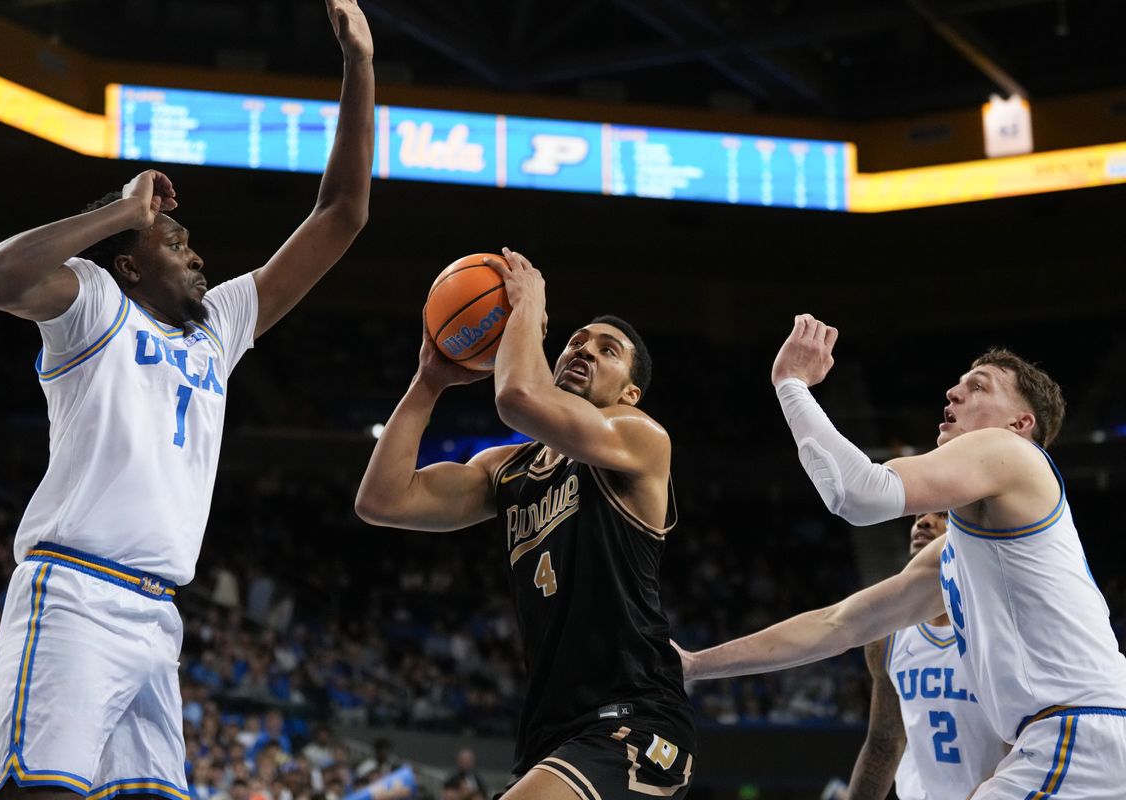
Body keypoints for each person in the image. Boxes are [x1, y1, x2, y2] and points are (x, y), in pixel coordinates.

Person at [0, 3, 374, 799]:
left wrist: (359, 64)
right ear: (128, 265)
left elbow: (342, 215)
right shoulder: (95, 302)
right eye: (175, 243)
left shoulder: (217, 328)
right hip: (76, 591)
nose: (197, 258)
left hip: (157, 618)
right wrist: (125, 212)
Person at [676, 315, 1126, 799]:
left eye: (978, 386)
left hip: (1080, 734)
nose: (953, 393)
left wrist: (791, 384)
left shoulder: (1011, 450)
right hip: (1071, 736)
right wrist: (696, 664)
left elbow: (858, 493)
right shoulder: (956, 553)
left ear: (1020, 423)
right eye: (958, 384)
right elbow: (838, 625)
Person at [356, 249, 695, 800]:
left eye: (607, 350)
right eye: (577, 340)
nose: (584, 348)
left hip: (635, 717)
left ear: (629, 394)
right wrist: (428, 381)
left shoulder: (640, 437)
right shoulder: (506, 470)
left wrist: (528, 304)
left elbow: (517, 396)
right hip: (551, 734)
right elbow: (383, 499)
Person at [825, 512, 1006, 800]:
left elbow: (1027, 745)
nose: (924, 522)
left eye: (943, 514)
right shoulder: (887, 636)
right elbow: (884, 742)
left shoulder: (1000, 630)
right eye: (920, 515)